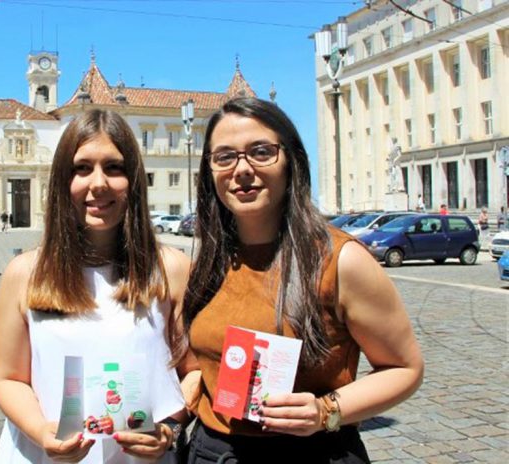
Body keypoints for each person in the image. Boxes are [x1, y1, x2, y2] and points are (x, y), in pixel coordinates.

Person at [176, 98, 424, 462]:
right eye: (224, 157)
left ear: (291, 160)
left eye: (261, 152)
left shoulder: (341, 260)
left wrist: (326, 412)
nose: (242, 169)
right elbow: (203, 366)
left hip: (308, 453)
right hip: (211, 451)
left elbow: (405, 368)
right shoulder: (211, 259)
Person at [0, 109, 191, 463]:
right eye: (82, 168)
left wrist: (170, 428)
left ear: (133, 179)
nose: (98, 183)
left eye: (113, 168)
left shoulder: (171, 268)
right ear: (61, 181)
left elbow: (193, 372)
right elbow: (9, 379)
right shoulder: (24, 273)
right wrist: (41, 431)